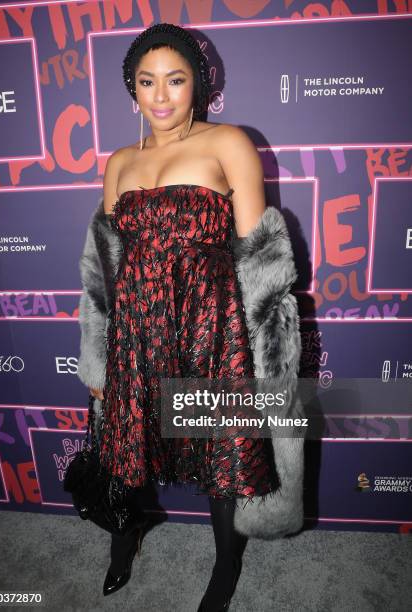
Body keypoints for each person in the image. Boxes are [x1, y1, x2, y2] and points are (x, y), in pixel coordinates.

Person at [77, 22, 302, 611]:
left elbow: (259, 258)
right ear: (133, 89)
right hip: (136, 328)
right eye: (147, 82)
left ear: (196, 85)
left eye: (174, 80)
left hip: (210, 325)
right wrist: (97, 353)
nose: (161, 95)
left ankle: (226, 566)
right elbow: (106, 268)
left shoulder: (228, 143)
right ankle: (124, 540)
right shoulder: (119, 161)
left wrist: (266, 356)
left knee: (219, 449)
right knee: (125, 445)